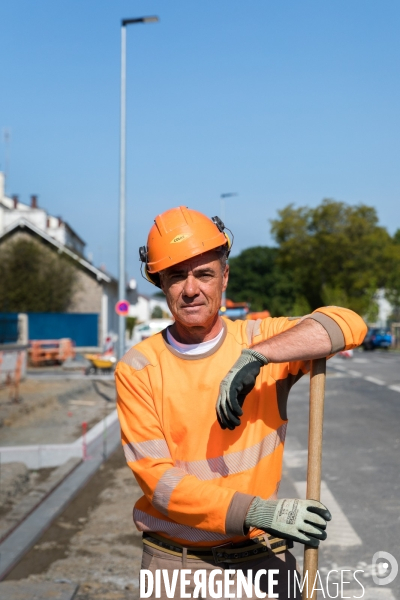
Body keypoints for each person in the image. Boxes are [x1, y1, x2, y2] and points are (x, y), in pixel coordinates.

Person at [115, 206, 367, 599]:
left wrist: (258, 356)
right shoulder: (139, 367)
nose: (191, 288)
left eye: (204, 273)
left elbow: (348, 323)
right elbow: (159, 483)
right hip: (178, 568)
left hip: (263, 561)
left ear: (225, 276)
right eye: (177, 276)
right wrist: (257, 512)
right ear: (160, 283)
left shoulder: (260, 338)